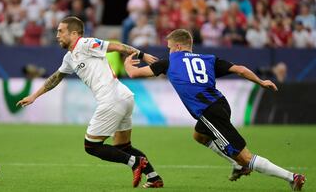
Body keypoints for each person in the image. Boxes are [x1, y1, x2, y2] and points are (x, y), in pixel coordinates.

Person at [123, 29, 306, 191]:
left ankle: (291, 177)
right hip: (220, 104)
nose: (169, 51)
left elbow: (133, 74)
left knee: (245, 156)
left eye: (170, 47)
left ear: (178, 47)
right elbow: (240, 69)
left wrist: (128, 63)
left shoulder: (168, 62)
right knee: (199, 136)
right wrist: (261, 81)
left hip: (209, 112)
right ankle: (237, 165)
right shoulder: (208, 59)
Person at [16, 16, 163, 188]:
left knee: (91, 146)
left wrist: (142, 54)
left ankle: (135, 163)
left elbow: (116, 46)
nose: (57, 35)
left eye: (60, 31)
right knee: (123, 146)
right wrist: (34, 96)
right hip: (124, 97)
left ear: (74, 33)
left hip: (112, 99)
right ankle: (154, 178)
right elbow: (56, 77)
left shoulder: (85, 44)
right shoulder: (69, 58)